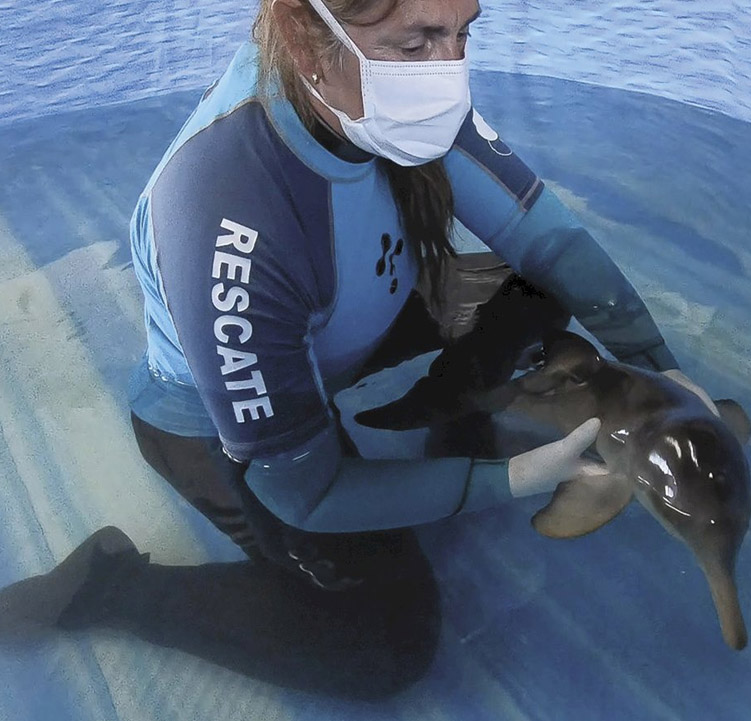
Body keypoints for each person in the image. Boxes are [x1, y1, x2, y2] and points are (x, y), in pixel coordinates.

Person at [121, 0, 719, 590]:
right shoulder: (231, 222)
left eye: (463, 34)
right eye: (415, 45)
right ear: (304, 39)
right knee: (392, 643)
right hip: (218, 430)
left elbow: (549, 243)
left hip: (354, 322)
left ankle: (451, 405)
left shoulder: (367, 90)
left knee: (539, 291)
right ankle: (113, 590)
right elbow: (306, 495)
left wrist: (659, 370)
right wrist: (513, 477)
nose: (448, 73)